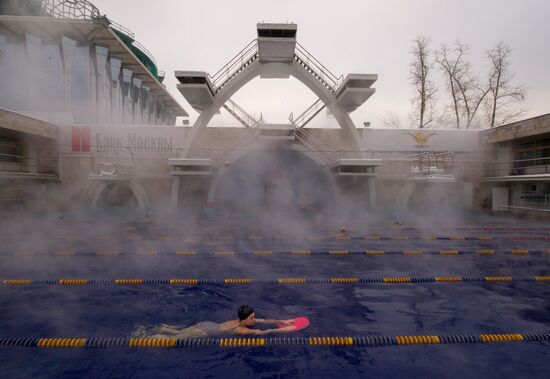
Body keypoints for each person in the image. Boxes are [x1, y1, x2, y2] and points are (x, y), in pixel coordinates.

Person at [131, 305, 297, 339]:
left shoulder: (239, 320)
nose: (255, 319)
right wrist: (282, 331)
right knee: (174, 339)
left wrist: (283, 321)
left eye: (254, 316)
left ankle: (160, 328)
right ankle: (145, 337)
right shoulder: (241, 330)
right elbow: (262, 332)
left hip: (207, 324)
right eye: (251, 317)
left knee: (177, 331)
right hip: (204, 331)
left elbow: (265, 321)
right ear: (244, 320)